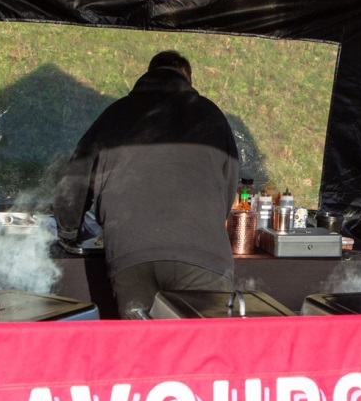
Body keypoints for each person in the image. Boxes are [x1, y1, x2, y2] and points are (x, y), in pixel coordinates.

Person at [53, 50, 240, 319]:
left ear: (148, 75)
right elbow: (228, 186)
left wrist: (69, 233)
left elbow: (73, 181)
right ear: (187, 79)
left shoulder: (116, 113)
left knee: (142, 343)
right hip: (200, 256)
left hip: (131, 257)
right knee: (201, 343)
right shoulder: (211, 115)